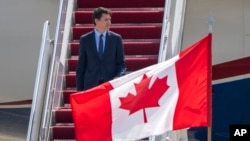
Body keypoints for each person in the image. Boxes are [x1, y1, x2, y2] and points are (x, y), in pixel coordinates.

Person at [76, 7, 126, 91]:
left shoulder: (116, 39)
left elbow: (121, 64)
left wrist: (118, 77)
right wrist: (79, 91)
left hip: (110, 86)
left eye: (110, 19)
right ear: (96, 20)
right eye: (106, 20)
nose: (109, 23)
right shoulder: (85, 39)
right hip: (90, 85)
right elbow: (81, 66)